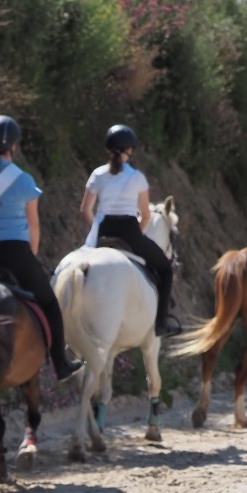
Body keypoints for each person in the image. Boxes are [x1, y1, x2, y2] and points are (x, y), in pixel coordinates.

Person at [0, 115, 83, 381]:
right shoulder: (24, 180)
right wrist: (30, 258)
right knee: (49, 303)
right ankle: (60, 363)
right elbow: (33, 227)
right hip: (16, 252)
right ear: (13, 146)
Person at [79, 123, 178, 336]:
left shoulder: (97, 174)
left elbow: (85, 210)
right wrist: (138, 234)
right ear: (130, 150)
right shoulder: (137, 178)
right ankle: (161, 323)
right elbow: (146, 214)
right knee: (166, 270)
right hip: (129, 232)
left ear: (108, 149)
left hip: (103, 231)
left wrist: (96, 229)